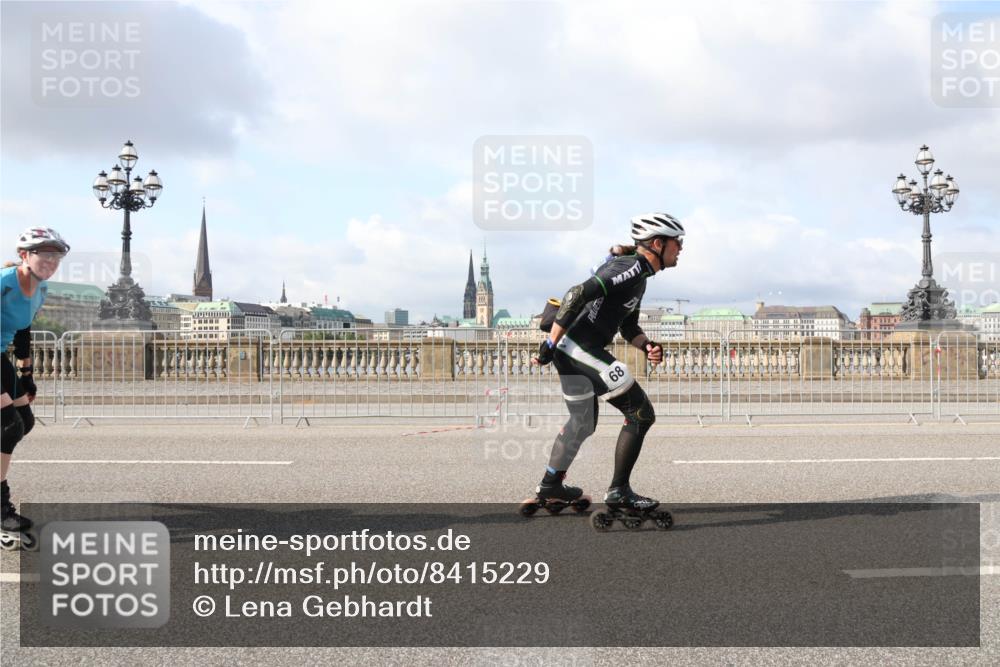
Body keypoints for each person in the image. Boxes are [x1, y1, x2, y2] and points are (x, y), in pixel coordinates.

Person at [523, 213, 684, 520]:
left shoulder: (640, 277)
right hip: (578, 348)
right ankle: (619, 490)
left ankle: (551, 485)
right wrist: (549, 343)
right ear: (658, 243)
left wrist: (647, 345)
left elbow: (628, 327)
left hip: (573, 350)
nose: (681, 249)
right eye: (678, 243)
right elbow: (578, 292)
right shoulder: (631, 267)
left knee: (582, 423)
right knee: (641, 413)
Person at [1, 227, 69, 548]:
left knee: (24, 422)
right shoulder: (4, 284)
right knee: (8, 427)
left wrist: (27, 375)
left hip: (1, 356)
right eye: (45, 255)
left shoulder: (40, 291)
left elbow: (23, 332)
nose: (51, 261)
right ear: (25, 256)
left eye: (56, 256)